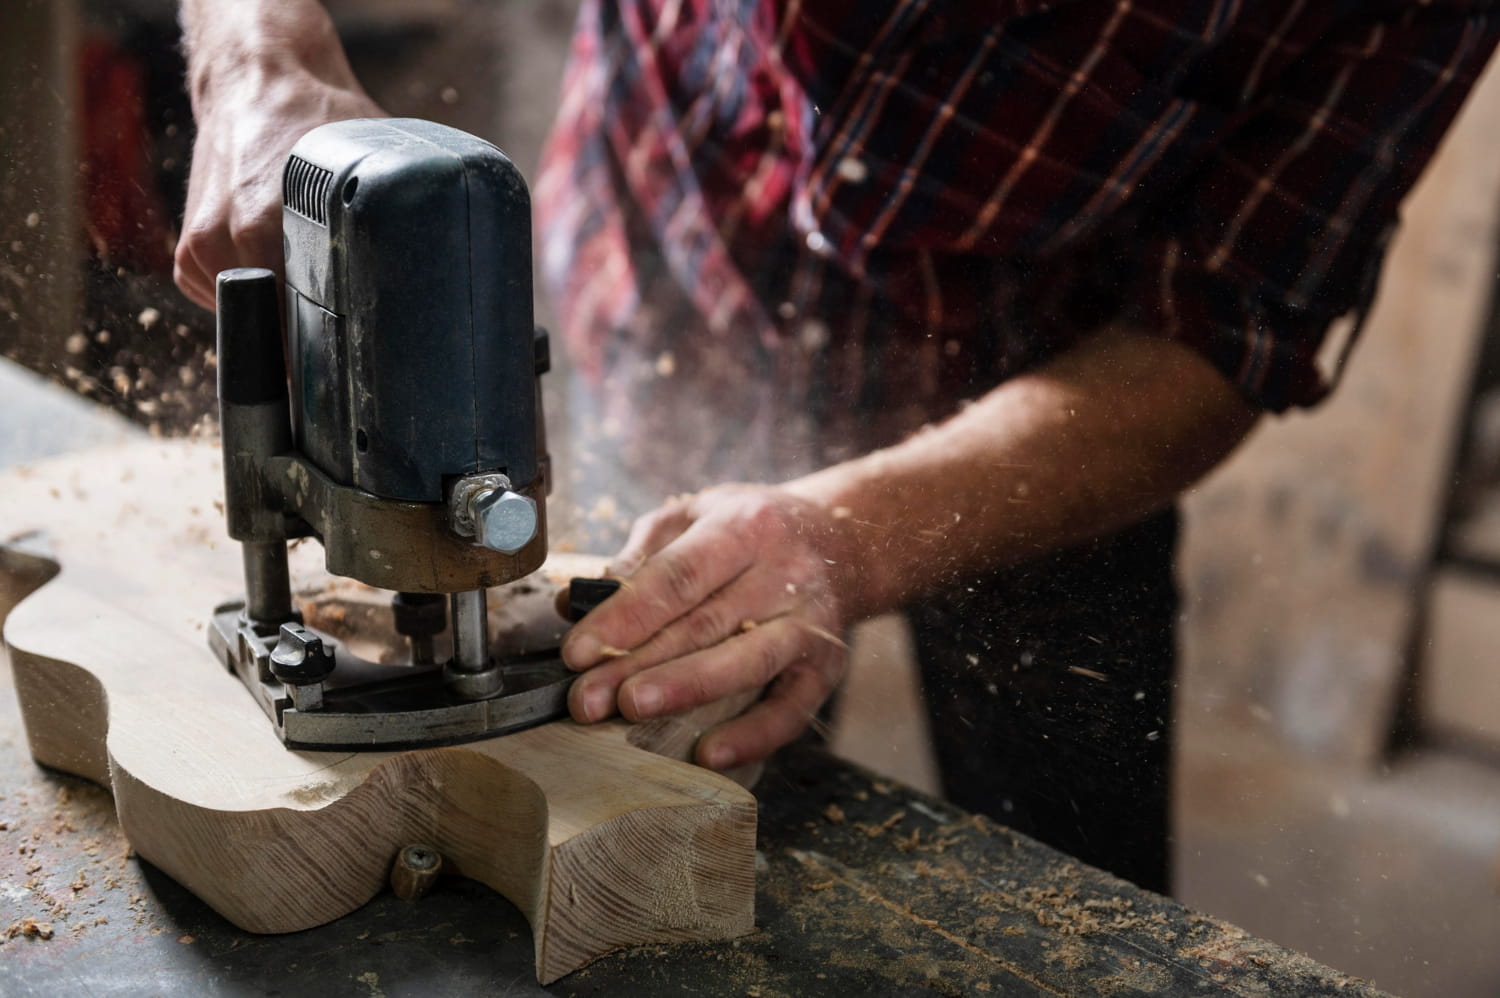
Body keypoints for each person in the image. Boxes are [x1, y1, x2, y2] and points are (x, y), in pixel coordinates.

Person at [174, 0, 1499, 893]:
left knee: (1066, 881)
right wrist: (258, 55)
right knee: (657, 827)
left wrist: (854, 532)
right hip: (681, 238)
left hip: (1058, 401)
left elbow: (1224, 328)